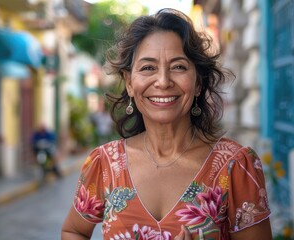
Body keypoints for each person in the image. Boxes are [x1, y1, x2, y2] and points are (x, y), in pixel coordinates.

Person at [62, 8, 272, 240]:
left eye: (178, 66)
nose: (163, 81)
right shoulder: (104, 165)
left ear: (198, 83)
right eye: (148, 68)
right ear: (130, 83)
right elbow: (73, 231)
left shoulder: (235, 166)